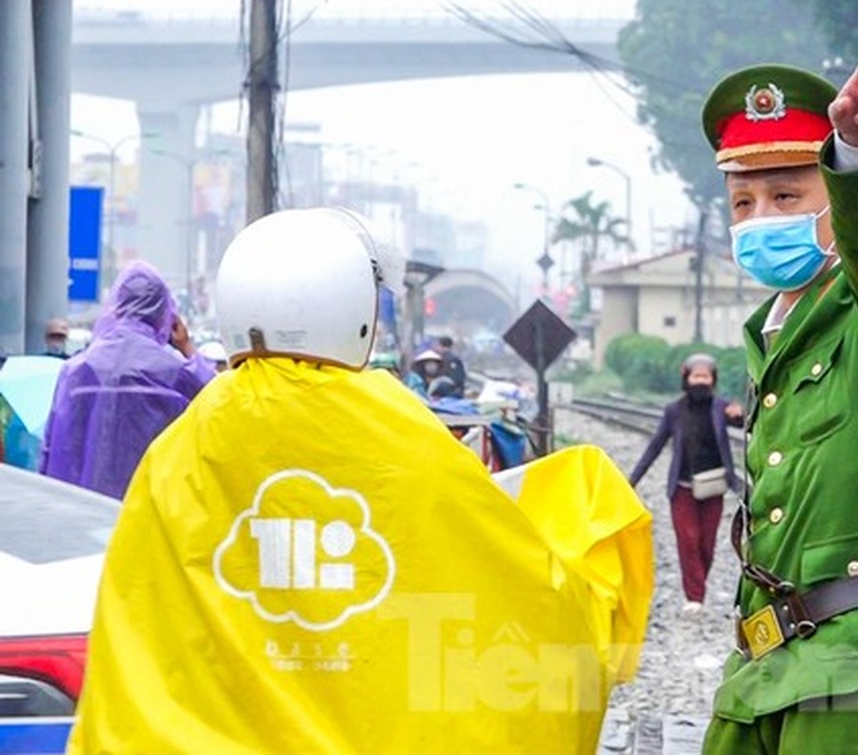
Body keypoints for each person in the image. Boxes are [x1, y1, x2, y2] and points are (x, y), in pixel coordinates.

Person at [67, 207, 654, 753]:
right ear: (358, 313)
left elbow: (137, 628)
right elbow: (493, 573)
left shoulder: (179, 453)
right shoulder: (403, 436)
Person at [699, 47, 858, 753]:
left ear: (835, 205)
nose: (759, 219)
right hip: (762, 664)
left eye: (788, 196)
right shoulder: (771, 336)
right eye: (743, 202)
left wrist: (857, 154)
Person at [39, 261, 215, 500]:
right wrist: (187, 346)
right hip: (146, 516)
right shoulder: (173, 371)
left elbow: (51, 452)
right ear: (165, 314)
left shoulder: (75, 370)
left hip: (81, 513)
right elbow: (218, 399)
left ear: (116, 307)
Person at [628, 353, 743, 614]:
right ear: (686, 379)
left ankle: (697, 585)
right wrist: (632, 480)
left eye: (706, 376)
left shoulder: (720, 407)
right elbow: (655, 447)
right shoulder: (674, 411)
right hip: (682, 487)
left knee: (707, 543)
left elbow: (745, 424)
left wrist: (740, 415)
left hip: (713, 486)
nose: (700, 381)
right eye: (696, 376)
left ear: (713, 380)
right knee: (688, 540)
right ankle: (695, 596)